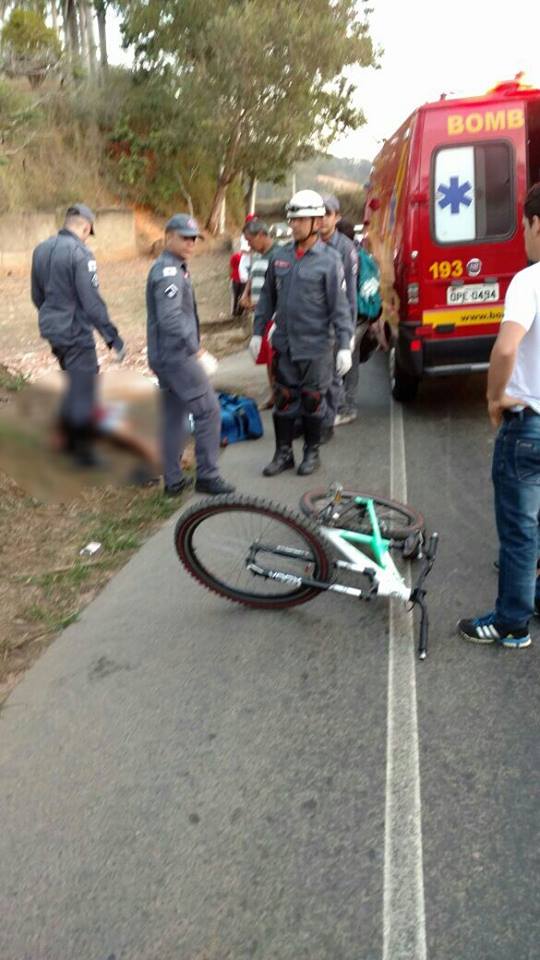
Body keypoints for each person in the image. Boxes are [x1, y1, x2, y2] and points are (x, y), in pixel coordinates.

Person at [458, 182, 540, 649]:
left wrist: (494, 397)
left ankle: (511, 623)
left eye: (525, 226)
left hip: (529, 426)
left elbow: (506, 346)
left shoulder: (529, 281)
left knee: (519, 531)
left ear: (535, 224)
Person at [250, 189, 354, 477]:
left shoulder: (330, 260)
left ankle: (311, 453)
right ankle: (283, 454)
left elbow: (340, 307)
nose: (292, 225)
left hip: (317, 346)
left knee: (312, 401)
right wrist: (258, 332)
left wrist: (345, 344)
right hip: (285, 345)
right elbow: (267, 300)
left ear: (315, 222)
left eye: (299, 219)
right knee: (283, 399)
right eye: (291, 219)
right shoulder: (280, 257)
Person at [146, 213, 234, 497]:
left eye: (194, 238)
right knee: (208, 411)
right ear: (168, 236)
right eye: (184, 237)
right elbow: (170, 319)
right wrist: (196, 350)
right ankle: (207, 475)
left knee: (173, 416)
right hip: (177, 357)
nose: (191, 243)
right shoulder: (168, 271)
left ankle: (173, 481)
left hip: (167, 356)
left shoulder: (175, 267)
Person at [31, 203, 125, 467]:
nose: (87, 237)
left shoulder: (41, 249)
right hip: (74, 331)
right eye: (88, 232)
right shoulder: (80, 253)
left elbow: (36, 295)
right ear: (86, 227)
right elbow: (91, 301)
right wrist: (112, 337)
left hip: (52, 329)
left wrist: (52, 317)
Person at [319, 195, 359, 437]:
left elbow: (350, 295)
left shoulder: (345, 248)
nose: (322, 219)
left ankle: (336, 414)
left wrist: (349, 333)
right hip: (315, 322)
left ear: (337, 217)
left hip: (337, 321)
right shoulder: (311, 244)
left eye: (327, 213)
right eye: (319, 213)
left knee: (335, 373)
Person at [240, 219, 279, 408]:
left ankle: (279, 395)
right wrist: (245, 293)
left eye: (250, 240)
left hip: (272, 315)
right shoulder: (257, 255)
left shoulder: (279, 255)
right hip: (259, 313)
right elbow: (252, 276)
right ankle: (274, 393)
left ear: (262, 235)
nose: (248, 245)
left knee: (275, 358)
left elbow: (276, 288)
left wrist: (262, 304)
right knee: (266, 358)